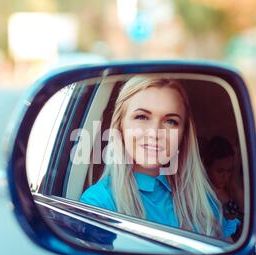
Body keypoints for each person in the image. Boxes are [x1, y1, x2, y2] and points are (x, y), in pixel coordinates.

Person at [80, 75, 239, 240]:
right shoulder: (98, 203)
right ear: (120, 126)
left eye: (171, 121)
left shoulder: (201, 198)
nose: (155, 133)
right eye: (142, 117)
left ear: (183, 135)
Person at [203, 136, 244, 241]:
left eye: (229, 171)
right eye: (220, 171)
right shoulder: (205, 198)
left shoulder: (230, 187)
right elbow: (222, 237)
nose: (225, 177)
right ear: (207, 167)